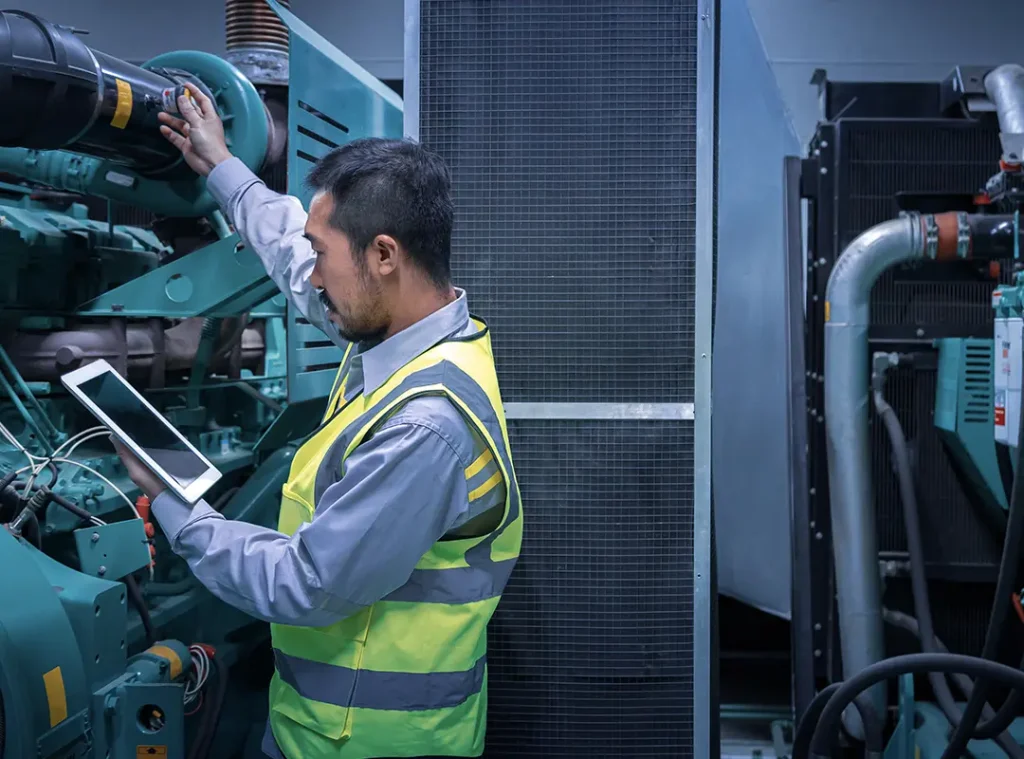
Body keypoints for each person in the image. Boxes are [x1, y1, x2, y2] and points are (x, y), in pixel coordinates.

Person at [112, 86, 523, 759]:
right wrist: (222, 166)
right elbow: (294, 259)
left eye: (324, 251)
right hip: (317, 724)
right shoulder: (411, 333)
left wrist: (179, 510)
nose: (315, 276)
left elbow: (305, 581)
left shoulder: (426, 425)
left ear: (384, 256)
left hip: (373, 744)